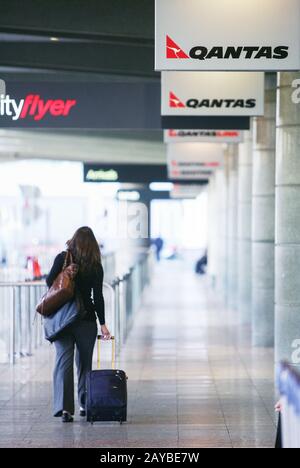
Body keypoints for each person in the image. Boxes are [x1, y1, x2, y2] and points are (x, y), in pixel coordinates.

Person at [46, 227, 111, 423]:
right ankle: (84, 403)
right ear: (92, 244)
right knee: (84, 364)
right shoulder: (95, 265)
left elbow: (50, 282)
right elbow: (97, 297)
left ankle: (65, 409)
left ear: (73, 240)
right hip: (86, 319)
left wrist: (65, 275)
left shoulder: (63, 258)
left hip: (62, 320)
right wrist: (103, 324)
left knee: (63, 361)